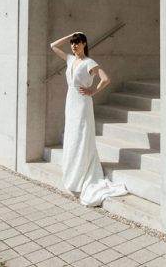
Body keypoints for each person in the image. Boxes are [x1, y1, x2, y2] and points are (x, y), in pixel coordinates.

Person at [50, 30, 127, 206]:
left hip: (82, 103)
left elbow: (105, 79)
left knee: (81, 136)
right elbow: (53, 46)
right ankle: (73, 172)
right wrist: (69, 35)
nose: (74, 45)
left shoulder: (89, 62)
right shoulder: (70, 59)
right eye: (72, 43)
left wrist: (93, 91)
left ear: (84, 44)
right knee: (72, 136)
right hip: (71, 102)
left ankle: (82, 173)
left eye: (77, 42)